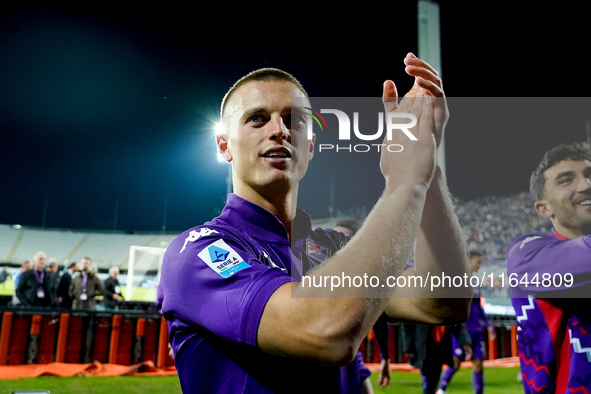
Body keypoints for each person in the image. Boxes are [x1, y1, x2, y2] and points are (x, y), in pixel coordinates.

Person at [160, 53, 472, 393]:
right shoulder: (197, 252)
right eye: (257, 119)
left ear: (310, 146)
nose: (278, 130)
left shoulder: (333, 248)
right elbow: (324, 330)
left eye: (293, 120)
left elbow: (443, 301)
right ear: (224, 146)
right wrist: (405, 184)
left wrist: (428, 165)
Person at [507, 141, 591, 394]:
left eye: (589, 175)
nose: (586, 185)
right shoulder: (528, 253)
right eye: (566, 180)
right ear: (544, 208)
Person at [333, 219, 391, 392]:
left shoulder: (364, 282)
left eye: (343, 240)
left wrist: (385, 358)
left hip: (348, 358)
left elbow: (379, 318)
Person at [437, 250, 495, 394]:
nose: (480, 265)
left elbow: (478, 307)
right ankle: (441, 390)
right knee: (455, 362)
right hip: (462, 329)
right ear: (469, 261)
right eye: (478, 262)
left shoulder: (476, 281)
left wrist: (488, 325)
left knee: (478, 363)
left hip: (477, 330)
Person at [401, 322, 471, 394]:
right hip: (425, 344)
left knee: (434, 379)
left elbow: (457, 322)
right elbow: (407, 323)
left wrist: (465, 342)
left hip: (441, 344)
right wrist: (408, 347)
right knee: (428, 379)